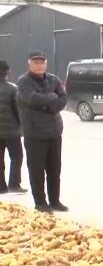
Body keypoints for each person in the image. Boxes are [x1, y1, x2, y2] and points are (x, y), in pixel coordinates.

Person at [16, 51, 68, 213]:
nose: (39, 65)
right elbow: (32, 99)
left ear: (46, 64)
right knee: (37, 171)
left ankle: (55, 201)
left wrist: (48, 106)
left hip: (54, 132)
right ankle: (40, 202)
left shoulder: (54, 79)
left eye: (41, 62)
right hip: (35, 134)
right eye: (36, 63)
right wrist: (52, 98)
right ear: (29, 64)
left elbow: (63, 99)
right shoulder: (24, 81)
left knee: (55, 169)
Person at [0, 60, 25, 194]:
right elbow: (18, 110)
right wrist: (22, 125)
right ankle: (14, 184)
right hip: (12, 132)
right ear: (7, 72)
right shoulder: (12, 88)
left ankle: (1, 187)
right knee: (16, 157)